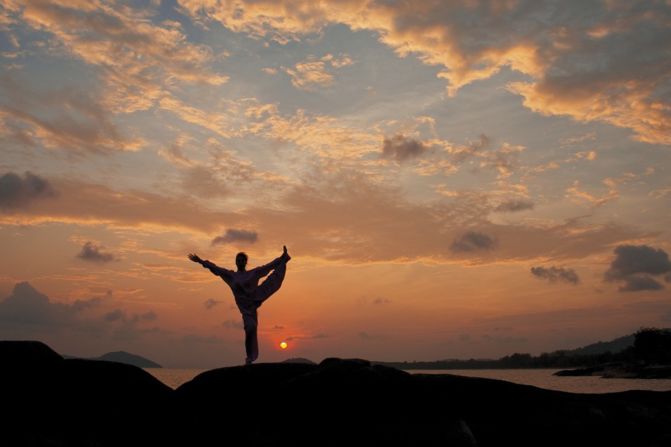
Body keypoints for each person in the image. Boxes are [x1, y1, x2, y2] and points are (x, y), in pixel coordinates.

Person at [188, 246, 291, 364]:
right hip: (246, 308)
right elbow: (216, 268)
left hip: (256, 297)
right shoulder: (231, 276)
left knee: (271, 281)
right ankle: (250, 357)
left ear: (245, 262)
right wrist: (200, 261)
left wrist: (282, 258)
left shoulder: (253, 273)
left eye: (242, 260)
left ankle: (250, 357)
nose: (240, 262)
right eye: (238, 260)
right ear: (236, 262)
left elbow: (268, 266)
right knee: (250, 327)